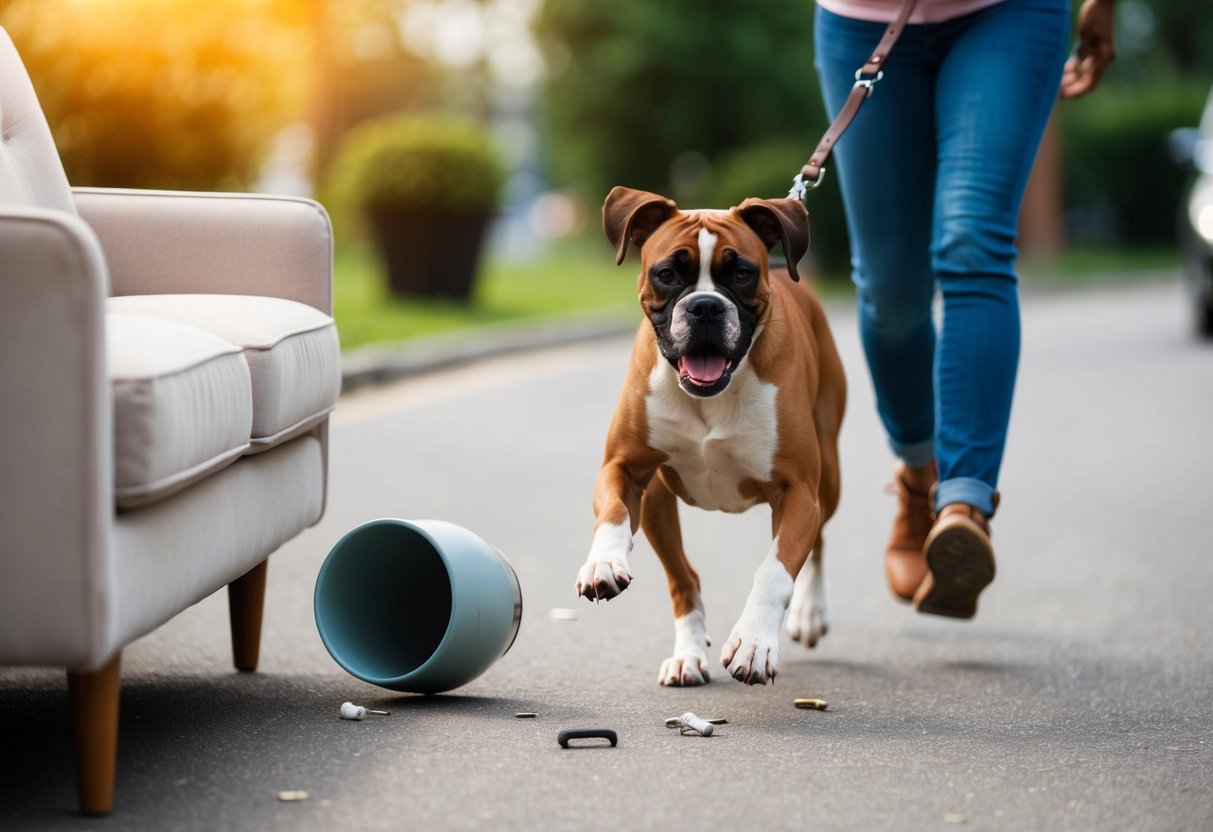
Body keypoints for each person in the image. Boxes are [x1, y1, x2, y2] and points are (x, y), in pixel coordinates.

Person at [810, 0, 1116, 617]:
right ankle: (919, 480)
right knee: (890, 291)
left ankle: (963, 506)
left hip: (1008, 14)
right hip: (860, 18)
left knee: (973, 243)